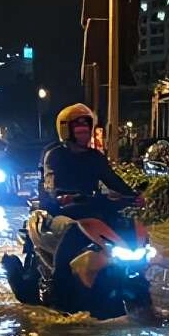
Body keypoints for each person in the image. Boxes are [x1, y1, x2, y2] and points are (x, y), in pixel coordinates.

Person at [37, 103, 139, 308]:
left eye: (86, 128)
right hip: (61, 212)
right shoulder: (54, 155)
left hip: (91, 211)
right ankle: (58, 292)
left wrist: (134, 196)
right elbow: (50, 185)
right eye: (78, 128)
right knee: (71, 231)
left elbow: (114, 181)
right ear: (67, 130)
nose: (84, 132)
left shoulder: (95, 157)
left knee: (126, 225)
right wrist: (61, 196)